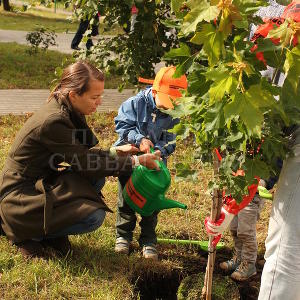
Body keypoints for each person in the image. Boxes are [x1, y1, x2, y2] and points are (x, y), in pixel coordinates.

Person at [0, 61, 161, 259]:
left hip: (40, 181)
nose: (99, 102)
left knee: (96, 180)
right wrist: (137, 161)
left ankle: (49, 231)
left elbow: (82, 156)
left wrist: (114, 152)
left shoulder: (67, 107)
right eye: (94, 97)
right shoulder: (55, 121)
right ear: (74, 95)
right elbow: (86, 165)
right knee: (93, 217)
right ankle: (28, 235)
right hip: (19, 196)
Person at [114, 66, 188, 260]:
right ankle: (123, 236)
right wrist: (139, 140)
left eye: (172, 104)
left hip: (154, 165)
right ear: (154, 91)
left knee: (152, 203)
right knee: (126, 199)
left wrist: (159, 151)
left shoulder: (174, 113)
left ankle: (148, 240)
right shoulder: (135, 104)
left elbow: (171, 140)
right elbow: (122, 125)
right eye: (164, 103)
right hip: (131, 160)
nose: (166, 108)